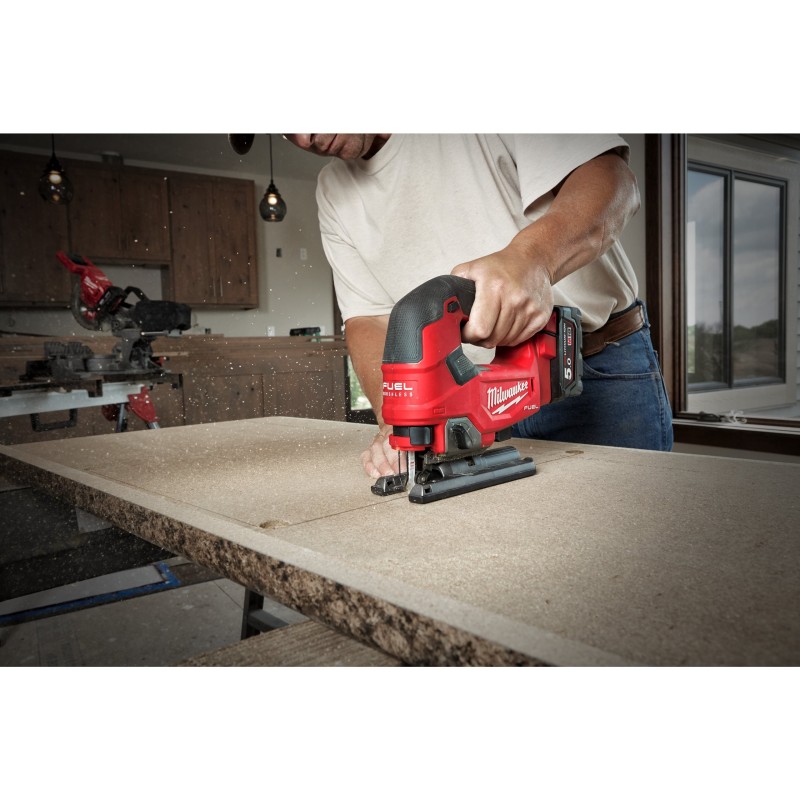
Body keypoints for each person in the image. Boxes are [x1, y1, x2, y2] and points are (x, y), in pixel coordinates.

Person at [285, 134, 673, 479]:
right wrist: (399, 420)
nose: (304, 139)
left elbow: (612, 179)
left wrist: (532, 259)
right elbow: (368, 319)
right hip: (469, 398)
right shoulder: (332, 190)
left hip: (591, 366)